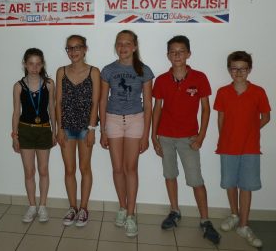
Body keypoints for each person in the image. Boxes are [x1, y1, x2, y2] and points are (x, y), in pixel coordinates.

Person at [151, 35, 220, 244]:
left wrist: (200, 137)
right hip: (165, 136)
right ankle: (174, 211)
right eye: (173, 52)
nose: (177, 55)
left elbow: (206, 110)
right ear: (168, 55)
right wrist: (153, 136)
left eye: (181, 51)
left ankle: (205, 220)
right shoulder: (162, 80)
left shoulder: (199, 78)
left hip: (189, 138)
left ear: (188, 54)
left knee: (195, 180)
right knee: (170, 175)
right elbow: (157, 109)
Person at [100, 30, 154, 237]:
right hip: (113, 120)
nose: (123, 47)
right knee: (117, 168)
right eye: (119, 43)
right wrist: (103, 130)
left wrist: (146, 134)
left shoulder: (144, 70)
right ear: (116, 46)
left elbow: (148, 104)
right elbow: (102, 101)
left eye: (127, 43)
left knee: (130, 168)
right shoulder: (108, 70)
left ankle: (131, 215)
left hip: (135, 121)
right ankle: (122, 207)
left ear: (134, 46)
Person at [214, 51, 271, 248]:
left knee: (246, 186)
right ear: (229, 70)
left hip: (250, 148)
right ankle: (234, 215)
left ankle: (244, 225)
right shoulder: (222, 92)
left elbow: (266, 116)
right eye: (234, 68)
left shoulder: (258, 92)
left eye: (243, 68)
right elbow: (220, 118)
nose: (238, 72)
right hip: (228, 147)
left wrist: (252, 129)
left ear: (249, 70)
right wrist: (225, 137)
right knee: (230, 183)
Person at [56, 34, 100, 227]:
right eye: (70, 48)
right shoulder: (61, 72)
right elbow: (57, 102)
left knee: (84, 168)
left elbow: (95, 102)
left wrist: (91, 129)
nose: (73, 52)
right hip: (66, 128)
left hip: (84, 128)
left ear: (85, 49)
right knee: (69, 169)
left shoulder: (94, 72)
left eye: (77, 47)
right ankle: (72, 207)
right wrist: (59, 128)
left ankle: (84, 208)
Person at [12, 48, 56, 223]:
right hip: (25, 130)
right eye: (31, 63)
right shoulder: (18, 86)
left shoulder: (49, 84)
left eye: (38, 63)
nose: (34, 67)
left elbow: (52, 108)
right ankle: (32, 206)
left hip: (44, 129)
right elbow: (16, 112)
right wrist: (14, 136)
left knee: (43, 170)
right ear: (25, 64)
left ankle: (43, 206)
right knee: (29, 171)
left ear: (42, 64)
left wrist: (55, 130)